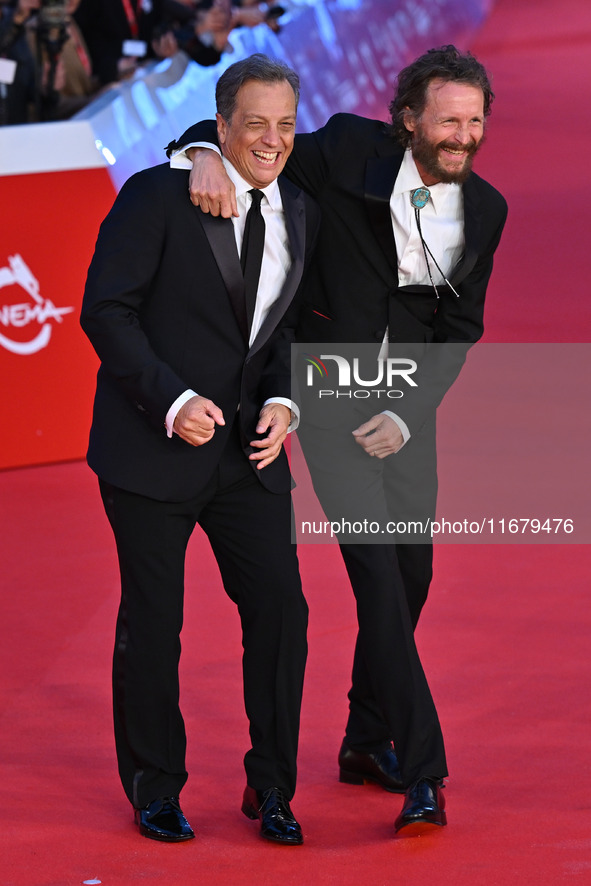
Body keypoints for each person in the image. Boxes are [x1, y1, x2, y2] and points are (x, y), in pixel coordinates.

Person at [167, 44, 508, 835]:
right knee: (377, 582)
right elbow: (259, 136)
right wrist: (199, 152)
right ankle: (424, 769)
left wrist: (405, 413)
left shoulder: (484, 210)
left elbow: (457, 330)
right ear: (408, 120)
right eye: (448, 119)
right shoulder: (347, 149)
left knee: (410, 576)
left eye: (474, 120)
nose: (462, 134)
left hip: (401, 411)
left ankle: (362, 739)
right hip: (323, 395)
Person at [80, 53, 320, 845]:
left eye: (284, 125)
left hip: (248, 456)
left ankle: (273, 787)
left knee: (282, 613)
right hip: (153, 449)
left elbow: (283, 328)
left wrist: (285, 400)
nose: (271, 140)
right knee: (155, 622)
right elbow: (105, 312)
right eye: (254, 124)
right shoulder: (158, 194)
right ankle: (156, 786)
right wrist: (172, 401)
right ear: (218, 127)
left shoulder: (301, 211)